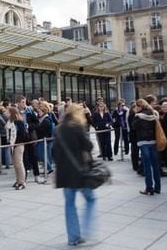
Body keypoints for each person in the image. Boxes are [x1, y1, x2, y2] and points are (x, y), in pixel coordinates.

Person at [53, 103, 96, 247]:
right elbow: (89, 146)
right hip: (80, 172)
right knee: (91, 200)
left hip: (64, 173)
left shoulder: (58, 129)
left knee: (69, 204)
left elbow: (54, 152)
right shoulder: (77, 127)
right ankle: (86, 231)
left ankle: (73, 238)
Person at [133, 99, 161, 195]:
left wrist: (135, 114)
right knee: (155, 165)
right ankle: (158, 187)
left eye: (136, 106)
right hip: (153, 141)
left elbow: (133, 127)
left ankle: (149, 188)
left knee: (147, 166)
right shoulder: (153, 114)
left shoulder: (138, 116)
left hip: (143, 142)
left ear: (140, 106)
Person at [6, 106, 27, 190]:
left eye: (7, 111)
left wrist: (15, 142)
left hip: (18, 144)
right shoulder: (10, 121)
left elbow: (23, 134)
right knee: (15, 164)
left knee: (19, 163)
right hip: (12, 144)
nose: (5, 112)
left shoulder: (19, 122)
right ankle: (18, 180)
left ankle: (22, 182)